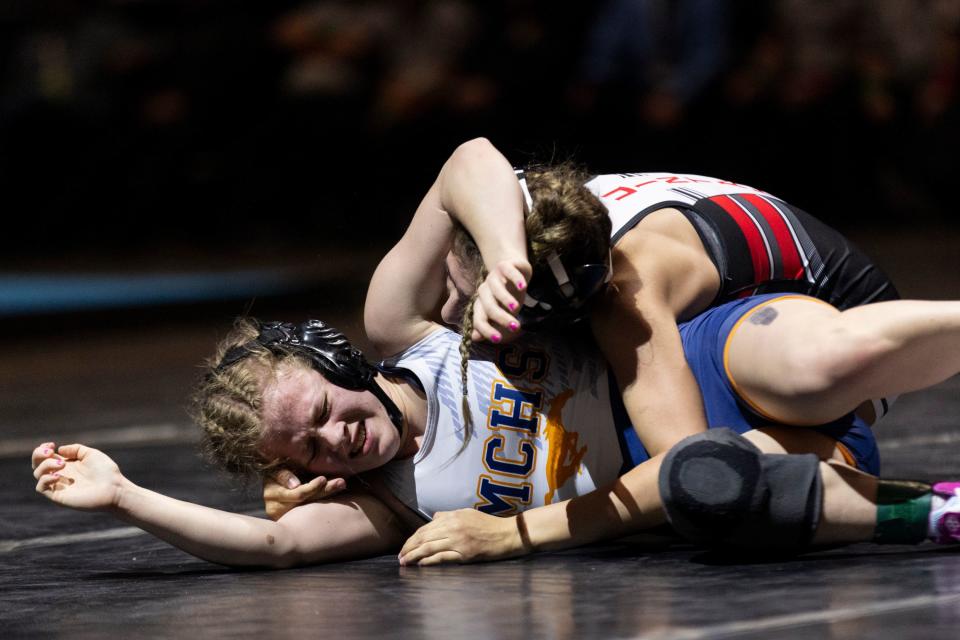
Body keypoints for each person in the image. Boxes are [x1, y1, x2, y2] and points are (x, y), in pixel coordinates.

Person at [31, 137, 960, 565]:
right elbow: (273, 544)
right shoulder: (400, 503)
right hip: (663, 470)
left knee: (807, 367)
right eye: (308, 451)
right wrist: (126, 497)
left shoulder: (407, 329)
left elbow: (466, 163)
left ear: (330, 359)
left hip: (685, 352)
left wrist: (507, 257)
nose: (336, 442)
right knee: (715, 490)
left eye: (323, 413)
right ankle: (935, 515)